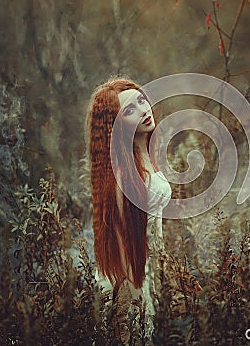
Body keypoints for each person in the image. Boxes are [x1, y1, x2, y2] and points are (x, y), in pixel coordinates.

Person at [85, 76, 173, 342]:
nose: (144, 110)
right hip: (129, 282)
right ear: (116, 126)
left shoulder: (144, 153)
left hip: (146, 274)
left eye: (141, 100)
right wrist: (132, 306)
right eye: (130, 110)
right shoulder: (123, 176)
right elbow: (124, 252)